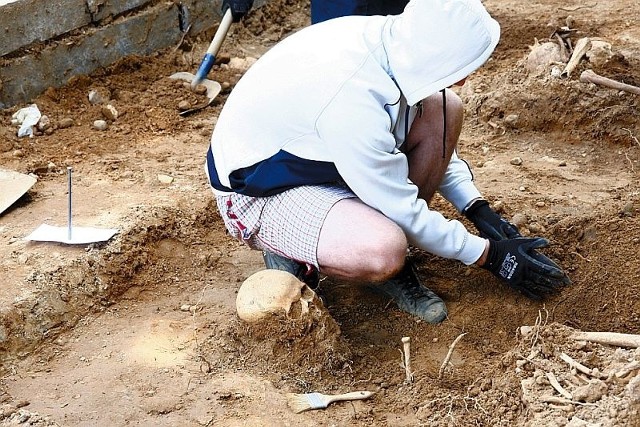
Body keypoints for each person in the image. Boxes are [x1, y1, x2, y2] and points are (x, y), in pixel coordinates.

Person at [207, 0, 571, 324]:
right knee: (384, 249)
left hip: (319, 157)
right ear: (439, 55)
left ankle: (355, 228)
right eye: (463, 65)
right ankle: (294, 250)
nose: (466, 76)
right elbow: (400, 206)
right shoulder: (352, 99)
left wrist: (478, 209)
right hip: (260, 190)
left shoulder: (394, 47)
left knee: (445, 109)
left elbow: (424, 132)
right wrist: (489, 256)